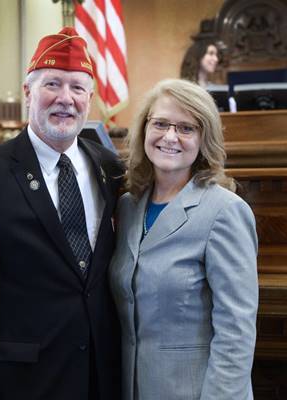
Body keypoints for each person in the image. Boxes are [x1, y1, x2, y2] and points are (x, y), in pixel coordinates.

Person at [0, 27, 124, 400]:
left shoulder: (111, 168)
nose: (65, 99)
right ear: (28, 92)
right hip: (22, 383)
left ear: (90, 98)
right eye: (52, 84)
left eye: (77, 88)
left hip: (100, 379)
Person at [109, 79, 258, 400]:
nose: (170, 136)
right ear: (144, 129)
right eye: (160, 123)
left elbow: (236, 333)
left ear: (205, 139)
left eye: (187, 128)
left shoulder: (225, 211)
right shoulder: (128, 207)